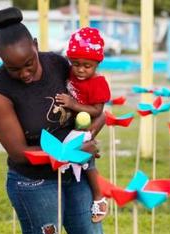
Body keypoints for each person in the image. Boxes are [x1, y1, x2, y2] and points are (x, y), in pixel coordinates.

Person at [0, 7, 106, 234]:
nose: (25, 74)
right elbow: (19, 151)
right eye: (15, 70)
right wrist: (72, 151)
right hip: (34, 183)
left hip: (75, 175)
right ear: (2, 63)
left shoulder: (57, 64)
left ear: (36, 46)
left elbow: (93, 107)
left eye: (29, 64)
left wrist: (90, 129)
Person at [55, 27, 110, 223]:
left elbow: (97, 111)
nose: (80, 69)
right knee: (72, 157)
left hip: (88, 125)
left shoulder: (98, 83)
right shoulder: (70, 72)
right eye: (75, 63)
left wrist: (73, 104)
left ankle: (99, 196)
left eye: (87, 66)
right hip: (71, 126)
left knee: (85, 160)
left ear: (97, 63)